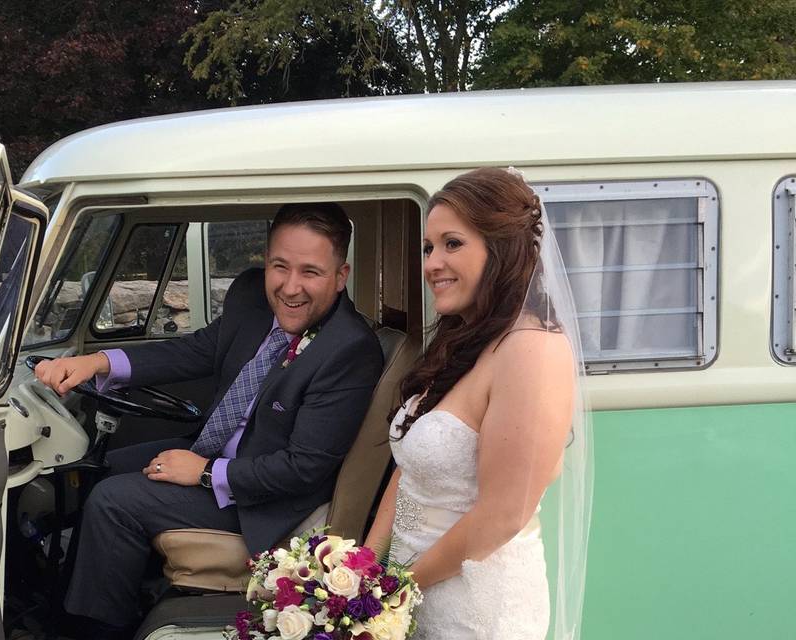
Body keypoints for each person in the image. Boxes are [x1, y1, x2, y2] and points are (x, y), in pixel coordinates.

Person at [34, 203, 384, 639]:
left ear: (341, 275)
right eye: (280, 266)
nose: (291, 287)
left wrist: (203, 473)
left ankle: (96, 632)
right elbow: (197, 350)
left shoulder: (348, 349)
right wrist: (99, 361)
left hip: (263, 499)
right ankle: (79, 603)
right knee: (100, 466)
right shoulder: (253, 299)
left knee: (114, 501)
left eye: (311, 272)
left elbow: (303, 468)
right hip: (219, 452)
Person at [364, 168, 593, 640]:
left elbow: (503, 515)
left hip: (476, 611)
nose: (431, 263)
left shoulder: (532, 349)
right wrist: (364, 566)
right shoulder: (460, 341)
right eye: (429, 248)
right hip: (419, 593)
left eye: (452, 244)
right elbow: (411, 467)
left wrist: (395, 590)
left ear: (502, 250)